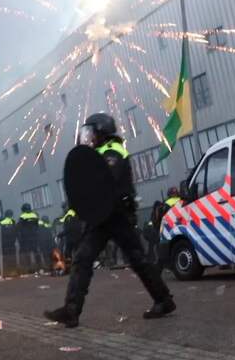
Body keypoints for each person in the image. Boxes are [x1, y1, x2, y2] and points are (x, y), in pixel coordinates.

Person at [44, 113, 175, 327]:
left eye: (92, 132)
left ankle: (164, 300)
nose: (90, 137)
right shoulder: (96, 153)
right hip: (100, 217)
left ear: (102, 131)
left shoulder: (114, 151)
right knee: (82, 258)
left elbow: (105, 181)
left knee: (138, 259)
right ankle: (71, 310)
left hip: (118, 215)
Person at [17, 203, 40, 271]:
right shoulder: (35, 215)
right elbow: (37, 225)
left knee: (27, 251)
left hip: (26, 237)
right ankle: (39, 265)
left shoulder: (22, 216)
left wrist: (20, 237)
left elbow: (19, 227)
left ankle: (29, 267)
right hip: (34, 235)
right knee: (36, 250)